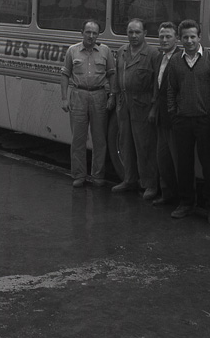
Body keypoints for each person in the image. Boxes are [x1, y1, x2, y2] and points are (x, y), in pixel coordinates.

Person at [167, 19, 210, 225]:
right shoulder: (175, 61)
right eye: (185, 37)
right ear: (180, 39)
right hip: (182, 121)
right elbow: (171, 90)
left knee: (209, 166)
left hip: (205, 122)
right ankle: (186, 203)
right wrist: (174, 114)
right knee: (183, 164)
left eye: (193, 36)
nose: (189, 40)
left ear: (200, 37)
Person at [61, 19, 116, 188]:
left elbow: (112, 74)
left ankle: (98, 176)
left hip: (99, 95)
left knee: (99, 139)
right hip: (79, 94)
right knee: (78, 138)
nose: (91, 36)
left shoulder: (105, 51)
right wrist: (64, 98)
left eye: (95, 33)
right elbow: (65, 74)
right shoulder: (72, 51)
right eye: (88, 32)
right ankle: (79, 175)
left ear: (98, 35)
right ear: (82, 33)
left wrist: (112, 95)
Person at [112, 18, 159, 200]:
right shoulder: (122, 51)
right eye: (130, 32)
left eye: (137, 32)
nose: (133, 36)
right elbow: (117, 76)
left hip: (143, 103)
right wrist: (115, 97)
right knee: (126, 143)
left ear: (145, 33)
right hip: (124, 103)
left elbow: (157, 84)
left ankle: (150, 184)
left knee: (144, 145)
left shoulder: (152, 54)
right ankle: (129, 179)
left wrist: (154, 107)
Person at [148, 22, 181, 206]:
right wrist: (154, 108)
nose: (164, 40)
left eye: (168, 36)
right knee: (163, 159)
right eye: (161, 36)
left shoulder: (180, 58)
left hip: (175, 119)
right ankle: (167, 194)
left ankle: (184, 200)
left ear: (176, 38)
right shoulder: (160, 57)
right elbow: (158, 86)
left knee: (178, 161)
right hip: (161, 117)